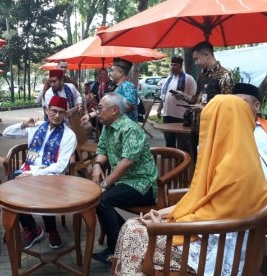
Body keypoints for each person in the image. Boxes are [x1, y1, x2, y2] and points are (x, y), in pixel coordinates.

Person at [112, 95, 267, 275]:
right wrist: (163, 213)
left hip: (218, 247)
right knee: (134, 227)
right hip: (215, 232)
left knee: (134, 233)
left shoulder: (235, 167)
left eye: (208, 123)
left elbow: (216, 218)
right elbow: (202, 199)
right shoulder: (241, 155)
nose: (204, 130)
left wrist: (165, 226)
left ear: (222, 124)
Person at [91, 92, 158, 265]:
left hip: (142, 184)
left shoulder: (130, 128)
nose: (97, 111)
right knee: (98, 198)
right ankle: (128, 240)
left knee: (102, 199)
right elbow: (102, 150)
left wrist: (105, 183)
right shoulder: (108, 126)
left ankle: (117, 250)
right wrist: (97, 165)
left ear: (114, 110)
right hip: (124, 181)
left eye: (100, 108)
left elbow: (127, 162)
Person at [2, 95, 77, 249]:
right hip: (27, 171)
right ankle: (32, 229)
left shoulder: (69, 135)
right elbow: (6, 133)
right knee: (11, 186)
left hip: (52, 177)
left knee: (37, 187)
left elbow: (61, 166)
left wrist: (34, 173)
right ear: (46, 110)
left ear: (66, 114)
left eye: (61, 112)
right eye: (54, 111)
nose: (57, 115)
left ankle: (51, 229)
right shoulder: (36, 126)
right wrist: (24, 124)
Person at [188, 41, 234, 161]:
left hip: (213, 128)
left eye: (197, 59)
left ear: (207, 55)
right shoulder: (202, 75)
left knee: (210, 162)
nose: (196, 63)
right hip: (197, 126)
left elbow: (227, 107)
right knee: (197, 160)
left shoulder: (224, 75)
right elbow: (196, 98)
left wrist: (203, 108)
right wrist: (183, 97)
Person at [81, 58, 139, 125]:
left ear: (120, 73)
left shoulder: (128, 85)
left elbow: (130, 106)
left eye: (112, 71)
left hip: (127, 130)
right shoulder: (118, 87)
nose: (110, 73)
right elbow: (109, 106)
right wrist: (91, 115)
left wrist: (108, 105)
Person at [156, 56, 197, 149]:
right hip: (167, 115)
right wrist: (159, 109)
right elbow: (163, 96)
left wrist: (182, 97)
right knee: (169, 142)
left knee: (182, 144)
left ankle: (182, 161)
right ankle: (171, 161)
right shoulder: (167, 80)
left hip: (181, 116)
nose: (172, 67)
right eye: (171, 65)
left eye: (175, 65)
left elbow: (194, 97)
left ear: (180, 66)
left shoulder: (188, 79)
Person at [232, 83, 267, 179]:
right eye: (234, 103)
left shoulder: (265, 128)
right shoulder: (223, 130)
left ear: (257, 106)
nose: (237, 106)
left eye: (243, 102)